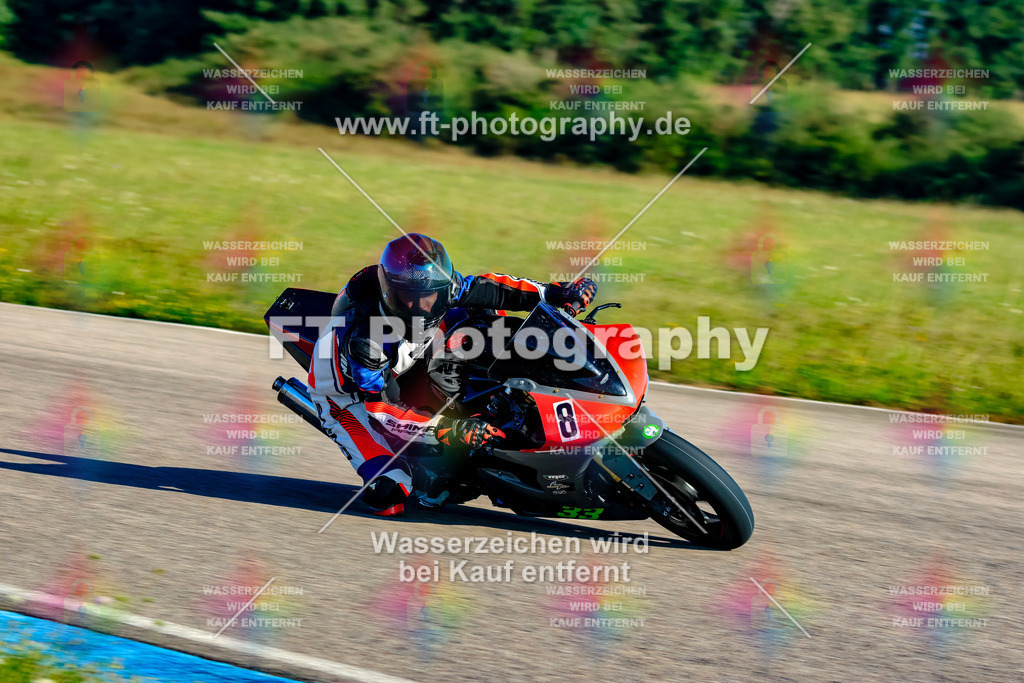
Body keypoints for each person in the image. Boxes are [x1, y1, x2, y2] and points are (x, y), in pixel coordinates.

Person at [307, 233, 598, 516]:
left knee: (487, 314)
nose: (421, 306)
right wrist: (449, 429)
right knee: (389, 493)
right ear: (389, 291)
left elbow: (492, 288)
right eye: (409, 296)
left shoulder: (438, 284)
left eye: (430, 295)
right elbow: (382, 410)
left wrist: (556, 292)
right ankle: (429, 473)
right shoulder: (366, 341)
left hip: (410, 352)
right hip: (351, 401)